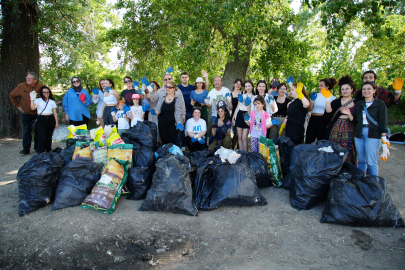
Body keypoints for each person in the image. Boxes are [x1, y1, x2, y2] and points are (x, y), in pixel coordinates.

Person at [341, 82, 389, 176]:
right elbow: (353, 121)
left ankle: (373, 184)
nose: (366, 91)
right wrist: (348, 113)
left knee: (371, 162)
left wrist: (384, 141)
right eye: (364, 89)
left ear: (374, 91)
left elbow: (383, 123)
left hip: (373, 134)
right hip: (359, 133)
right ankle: (361, 183)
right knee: (361, 161)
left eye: (369, 89)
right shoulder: (359, 104)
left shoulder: (380, 104)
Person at [9, 72, 44, 154]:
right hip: (26, 114)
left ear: (35, 80)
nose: (27, 79)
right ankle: (26, 149)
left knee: (38, 132)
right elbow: (12, 95)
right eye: (26, 78)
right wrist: (18, 106)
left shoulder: (41, 87)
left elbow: (46, 97)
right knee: (27, 131)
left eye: (30, 78)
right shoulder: (21, 86)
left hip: (38, 114)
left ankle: (37, 149)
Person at [326, 75, 357, 165]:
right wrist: (328, 99)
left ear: (352, 89)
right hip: (336, 128)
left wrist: (349, 114)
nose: (345, 91)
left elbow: (357, 119)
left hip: (350, 129)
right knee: (334, 148)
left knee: (349, 149)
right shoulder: (336, 102)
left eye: (347, 88)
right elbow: (328, 111)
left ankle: (349, 169)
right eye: (343, 89)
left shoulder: (357, 103)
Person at [177, 71, 209, 148]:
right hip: (181, 111)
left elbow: (205, 88)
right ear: (181, 78)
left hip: (192, 111)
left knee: (196, 126)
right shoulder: (178, 88)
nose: (184, 79)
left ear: (188, 78)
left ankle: (198, 142)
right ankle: (183, 144)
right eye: (183, 77)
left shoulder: (192, 87)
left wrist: (206, 77)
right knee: (182, 128)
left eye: (186, 77)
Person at [306, 77, 337, 144]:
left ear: (327, 87)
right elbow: (309, 109)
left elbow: (331, 111)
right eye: (319, 85)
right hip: (313, 119)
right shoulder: (316, 95)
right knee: (309, 140)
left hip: (324, 120)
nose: (319, 87)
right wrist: (312, 100)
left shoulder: (332, 98)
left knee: (321, 141)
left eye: (321, 85)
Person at [29, 86, 58, 153]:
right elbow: (33, 108)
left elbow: (55, 113)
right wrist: (32, 99)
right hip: (41, 119)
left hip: (50, 119)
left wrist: (56, 123)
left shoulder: (52, 102)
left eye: (47, 92)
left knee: (49, 137)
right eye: (44, 92)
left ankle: (48, 151)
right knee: (42, 137)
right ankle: (40, 152)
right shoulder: (38, 100)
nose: (46, 93)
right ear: (41, 93)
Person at [155, 81, 184, 145]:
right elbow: (158, 109)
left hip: (173, 123)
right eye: (166, 87)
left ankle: (171, 154)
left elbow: (178, 112)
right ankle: (165, 154)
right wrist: (155, 111)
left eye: (170, 87)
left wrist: (179, 122)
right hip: (162, 122)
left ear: (174, 89)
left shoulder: (177, 99)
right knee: (164, 140)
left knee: (172, 141)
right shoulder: (162, 97)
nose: (167, 88)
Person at [232, 80, 255, 151]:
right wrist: (233, 118)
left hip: (248, 116)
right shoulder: (242, 96)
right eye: (246, 86)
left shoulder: (254, 97)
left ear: (252, 87)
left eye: (249, 86)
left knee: (245, 137)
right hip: (239, 115)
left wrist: (248, 106)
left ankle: (246, 154)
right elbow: (237, 107)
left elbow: (254, 111)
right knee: (239, 137)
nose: (247, 88)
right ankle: (241, 153)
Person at [230, 79, 243, 149]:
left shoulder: (243, 93)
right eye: (237, 83)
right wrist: (229, 101)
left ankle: (238, 150)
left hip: (241, 115)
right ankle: (232, 149)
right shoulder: (230, 94)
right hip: (234, 115)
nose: (238, 85)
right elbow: (230, 108)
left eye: (240, 84)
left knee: (240, 134)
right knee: (236, 133)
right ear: (234, 84)